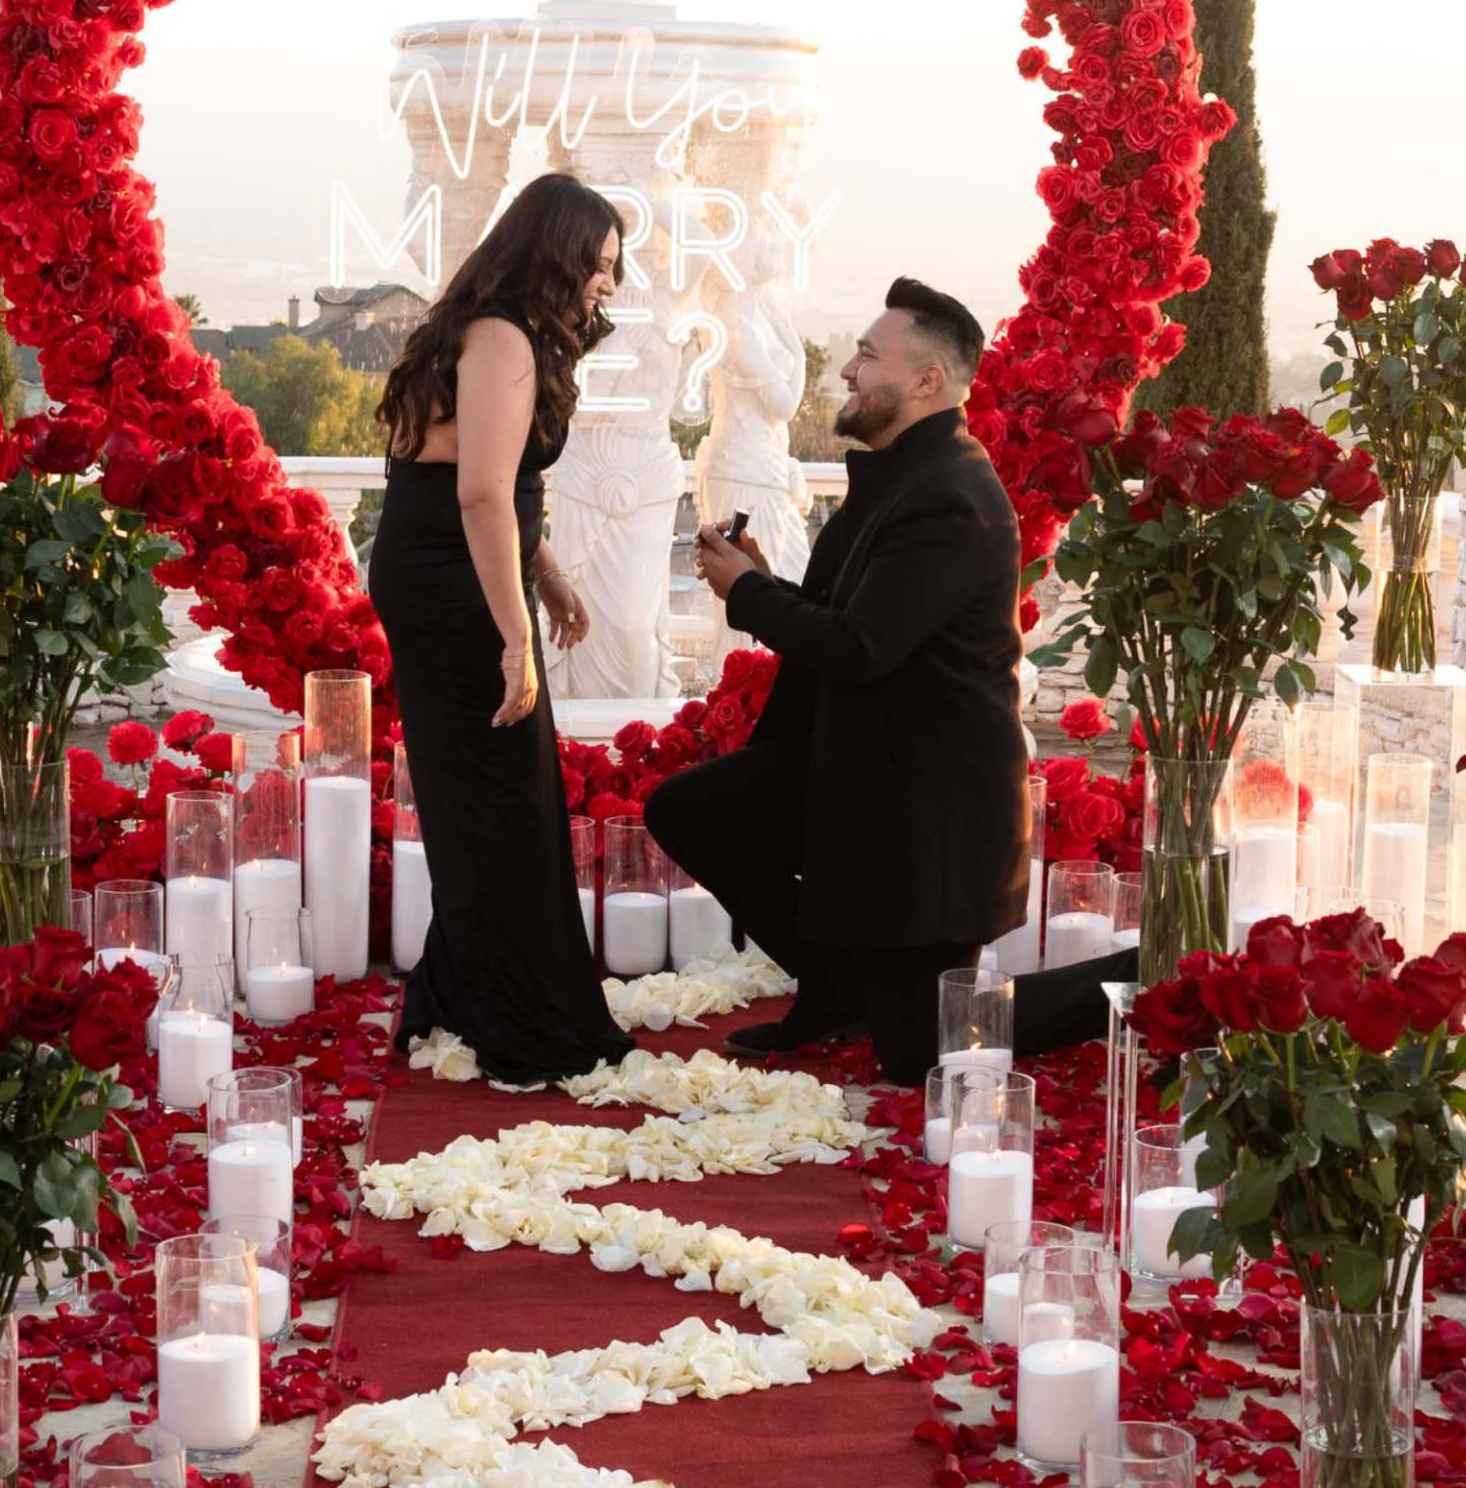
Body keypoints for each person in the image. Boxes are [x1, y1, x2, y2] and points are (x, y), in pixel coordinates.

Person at [648, 279, 1028, 1080]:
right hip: (862, 773)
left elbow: (861, 647)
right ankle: (833, 980)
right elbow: (856, 619)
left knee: (915, 1055)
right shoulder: (901, 477)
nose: (847, 371)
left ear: (927, 382)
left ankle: (1127, 985)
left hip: (927, 824)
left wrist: (746, 597)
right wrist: (763, 581)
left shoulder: (950, 496)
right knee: (690, 810)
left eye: (866, 355)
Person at [369, 171, 633, 1084]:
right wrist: (517, 633)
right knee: (502, 795)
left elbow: (501, 486)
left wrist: (546, 574)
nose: (607, 283)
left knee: (485, 793)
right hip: (453, 580)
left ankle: (464, 992)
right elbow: (479, 493)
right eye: (597, 264)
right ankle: (514, 1015)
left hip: (452, 563)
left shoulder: (483, 329)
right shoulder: (501, 337)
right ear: (552, 253)